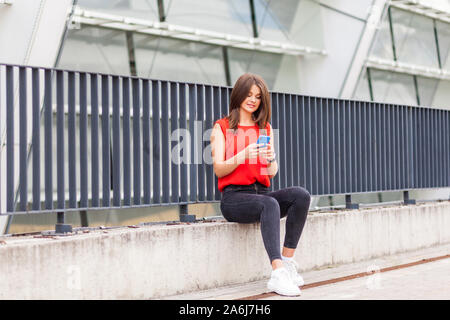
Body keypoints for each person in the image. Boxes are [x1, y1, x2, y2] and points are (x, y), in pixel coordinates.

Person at [210, 73, 311, 297]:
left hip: (261, 194)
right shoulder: (222, 127)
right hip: (234, 198)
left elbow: (271, 173)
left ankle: (287, 261)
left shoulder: (264, 127)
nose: (253, 100)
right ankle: (277, 273)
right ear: (239, 95)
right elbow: (219, 169)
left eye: (257, 96)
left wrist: (270, 158)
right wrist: (244, 153)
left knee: (301, 196)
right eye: (248, 94)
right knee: (270, 204)